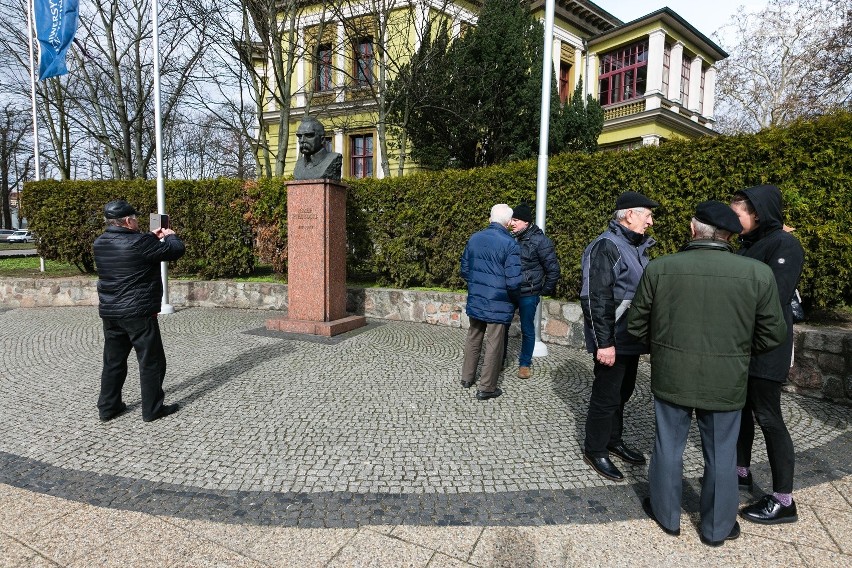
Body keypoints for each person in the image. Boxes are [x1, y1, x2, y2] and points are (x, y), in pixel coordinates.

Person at [628, 200, 787, 546]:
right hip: (727, 378)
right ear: (729, 235)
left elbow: (636, 325)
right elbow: (774, 333)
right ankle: (716, 527)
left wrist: (665, 349)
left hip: (672, 374)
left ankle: (667, 515)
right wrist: (738, 353)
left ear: (692, 229)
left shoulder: (660, 269)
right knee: (722, 452)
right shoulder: (756, 273)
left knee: (668, 446)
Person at [730, 185, 805, 525]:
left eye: (737, 215)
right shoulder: (749, 244)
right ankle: (741, 473)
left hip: (767, 347)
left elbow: (774, 296)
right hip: (744, 345)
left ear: (757, 213)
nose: (733, 222)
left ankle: (783, 500)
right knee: (743, 411)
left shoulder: (784, 244)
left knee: (768, 416)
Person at [579, 191, 658, 481]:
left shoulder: (634, 246)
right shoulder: (606, 246)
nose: (651, 221)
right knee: (606, 395)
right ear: (628, 215)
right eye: (647, 214)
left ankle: (613, 440)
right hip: (614, 338)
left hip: (630, 337)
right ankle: (595, 448)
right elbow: (595, 298)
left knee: (622, 393)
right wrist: (605, 343)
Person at [94, 200, 186, 422]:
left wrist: (152, 237)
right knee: (151, 361)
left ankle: (108, 408)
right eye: (135, 218)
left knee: (113, 361)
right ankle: (153, 409)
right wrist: (170, 235)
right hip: (138, 313)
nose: (137, 221)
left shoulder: (100, 242)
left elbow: (135, 249)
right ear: (127, 221)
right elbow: (176, 250)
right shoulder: (140, 242)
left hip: (111, 312)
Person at [460, 204, 523, 401]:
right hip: (499, 301)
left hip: (478, 296)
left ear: (490, 218)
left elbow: (465, 269)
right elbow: (514, 281)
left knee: (474, 336)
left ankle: (466, 378)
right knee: (495, 343)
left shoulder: (474, 238)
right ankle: (486, 387)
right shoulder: (510, 244)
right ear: (508, 223)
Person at [509, 203, 560, 379]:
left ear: (526, 222)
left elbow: (553, 270)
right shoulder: (511, 238)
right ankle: (499, 361)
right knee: (501, 327)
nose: (512, 223)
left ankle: (525, 364)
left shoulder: (541, 241)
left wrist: (541, 291)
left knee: (527, 329)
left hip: (529, 293)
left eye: (515, 220)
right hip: (510, 290)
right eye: (511, 219)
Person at [292, 116, 343, 180]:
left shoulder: (333, 159)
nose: (302, 140)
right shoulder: (299, 164)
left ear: (322, 140)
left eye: (309, 136)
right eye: (300, 136)